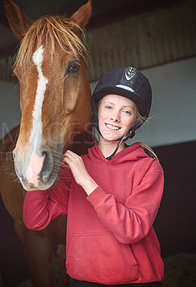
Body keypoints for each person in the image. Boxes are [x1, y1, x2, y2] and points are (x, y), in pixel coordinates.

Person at [23, 67, 164, 286]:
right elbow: (35, 221)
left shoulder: (148, 167)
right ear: (96, 111)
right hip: (83, 280)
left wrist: (87, 181)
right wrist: (38, 180)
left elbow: (132, 230)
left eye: (126, 111)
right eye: (108, 107)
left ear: (136, 121)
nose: (114, 117)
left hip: (136, 281)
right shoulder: (74, 167)